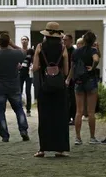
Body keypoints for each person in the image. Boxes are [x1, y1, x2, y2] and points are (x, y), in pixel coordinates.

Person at [0, 33, 30, 143]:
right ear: (9, 42)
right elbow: (24, 52)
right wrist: (13, 45)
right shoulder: (15, 53)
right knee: (19, 109)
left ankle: (5, 136)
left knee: (0, 112)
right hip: (14, 85)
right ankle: (23, 131)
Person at [32, 22, 70, 157]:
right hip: (59, 87)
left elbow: (35, 67)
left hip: (45, 86)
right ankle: (60, 149)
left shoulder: (40, 47)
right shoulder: (63, 48)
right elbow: (66, 70)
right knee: (60, 117)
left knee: (45, 117)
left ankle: (42, 148)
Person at [66, 31, 100, 145]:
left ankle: (78, 138)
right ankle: (92, 137)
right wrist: (93, 68)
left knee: (78, 111)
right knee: (91, 112)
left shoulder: (76, 52)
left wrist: (68, 79)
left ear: (84, 40)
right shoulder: (93, 50)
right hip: (90, 81)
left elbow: (72, 67)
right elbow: (96, 59)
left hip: (79, 81)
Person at [19, 36, 34, 117]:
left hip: (29, 73)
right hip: (20, 73)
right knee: (19, 91)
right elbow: (16, 60)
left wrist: (32, 66)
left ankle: (28, 110)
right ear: (21, 41)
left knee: (28, 91)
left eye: (25, 39)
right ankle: (20, 109)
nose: (24, 41)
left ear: (28, 41)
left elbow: (34, 60)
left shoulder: (31, 51)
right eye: (22, 39)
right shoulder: (19, 51)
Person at [63, 34, 76, 125]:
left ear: (71, 41)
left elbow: (73, 66)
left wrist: (68, 78)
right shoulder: (63, 50)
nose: (64, 42)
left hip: (72, 78)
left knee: (72, 98)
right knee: (65, 99)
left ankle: (73, 117)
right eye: (63, 40)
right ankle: (66, 118)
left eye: (66, 40)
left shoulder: (74, 51)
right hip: (63, 77)